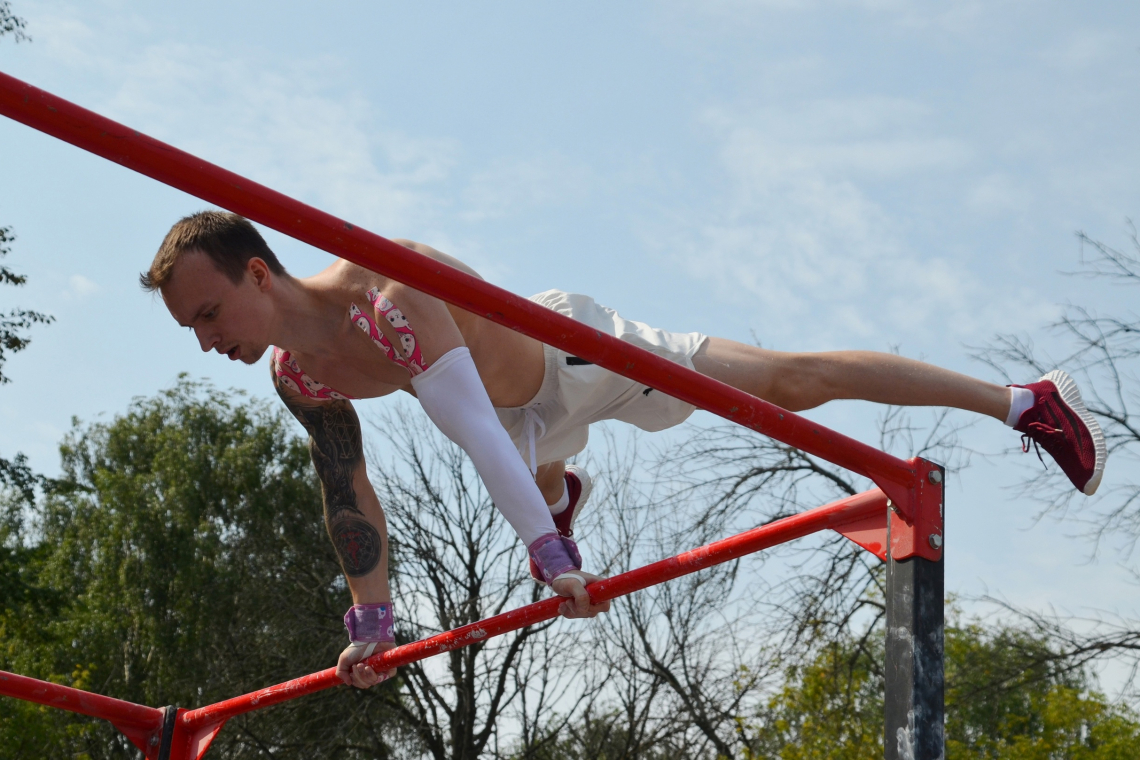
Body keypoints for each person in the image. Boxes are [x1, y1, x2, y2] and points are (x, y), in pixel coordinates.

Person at [142, 211, 1106, 690]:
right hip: (520, 430)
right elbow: (347, 494)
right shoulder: (296, 375)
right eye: (192, 326)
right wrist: (372, 621)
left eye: (210, 312)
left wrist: (549, 553)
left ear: (258, 272)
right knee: (526, 460)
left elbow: (468, 426)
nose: (206, 339)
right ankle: (553, 492)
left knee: (790, 384)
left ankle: (1023, 402)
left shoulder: (386, 293)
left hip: (575, 361)